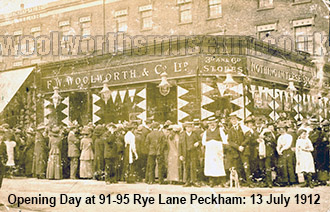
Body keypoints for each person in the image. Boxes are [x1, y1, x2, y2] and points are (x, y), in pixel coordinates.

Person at [202, 117, 227, 187]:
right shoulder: (206, 132)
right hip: (210, 151)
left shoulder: (220, 130)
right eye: (210, 123)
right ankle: (211, 181)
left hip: (218, 150)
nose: (212, 124)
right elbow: (203, 142)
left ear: (216, 123)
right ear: (208, 124)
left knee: (219, 165)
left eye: (213, 123)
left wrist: (219, 146)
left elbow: (224, 140)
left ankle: (221, 181)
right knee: (210, 165)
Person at [227, 114, 251, 186]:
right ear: (230, 121)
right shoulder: (230, 130)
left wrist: (242, 145)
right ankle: (239, 182)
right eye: (232, 119)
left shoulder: (243, 128)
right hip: (236, 151)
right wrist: (237, 147)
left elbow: (248, 138)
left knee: (246, 166)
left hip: (244, 150)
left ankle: (249, 182)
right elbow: (230, 141)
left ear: (237, 119)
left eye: (234, 119)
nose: (233, 121)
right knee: (237, 167)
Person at [179, 121, 201, 187]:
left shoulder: (195, 134)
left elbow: (200, 141)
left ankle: (194, 181)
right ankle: (187, 181)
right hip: (185, 153)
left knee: (194, 167)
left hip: (193, 152)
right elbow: (180, 146)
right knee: (187, 167)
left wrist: (198, 143)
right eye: (188, 127)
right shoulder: (182, 135)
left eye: (190, 127)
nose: (189, 129)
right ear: (185, 128)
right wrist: (180, 155)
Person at [276, 122, 296, 186]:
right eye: (280, 129)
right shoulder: (279, 137)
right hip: (282, 152)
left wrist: (282, 149)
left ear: (285, 129)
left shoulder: (289, 136)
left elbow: (288, 144)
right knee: (283, 166)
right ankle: (284, 180)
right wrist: (278, 150)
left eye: (282, 128)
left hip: (288, 151)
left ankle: (291, 181)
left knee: (289, 165)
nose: (281, 130)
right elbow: (278, 145)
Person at [0, 127, 8, 206]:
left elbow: (5, 154)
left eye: (2, 135)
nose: (1, 136)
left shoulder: (3, 144)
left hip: (1, 164)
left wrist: (5, 161)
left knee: (0, 181)